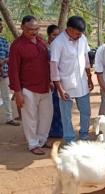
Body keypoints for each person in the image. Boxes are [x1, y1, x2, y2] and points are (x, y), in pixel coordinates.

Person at [8, 15, 53, 155]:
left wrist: (51, 80)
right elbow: (13, 70)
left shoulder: (41, 42)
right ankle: (33, 144)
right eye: (30, 29)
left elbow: (48, 63)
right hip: (27, 88)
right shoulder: (17, 46)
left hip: (45, 86)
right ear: (22, 28)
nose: (33, 32)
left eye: (36, 29)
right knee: (30, 118)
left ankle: (42, 140)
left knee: (47, 115)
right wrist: (18, 92)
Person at [50, 16, 93, 143]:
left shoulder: (83, 38)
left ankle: (84, 134)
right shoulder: (57, 43)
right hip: (65, 85)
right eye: (77, 33)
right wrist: (60, 89)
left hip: (82, 82)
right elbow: (54, 67)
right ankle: (69, 139)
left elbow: (86, 59)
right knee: (66, 115)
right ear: (69, 29)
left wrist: (89, 77)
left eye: (81, 33)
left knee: (86, 111)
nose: (80, 36)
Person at [0, 18, 20, 126]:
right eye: (0, 25)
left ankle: (9, 118)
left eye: (1, 25)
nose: (1, 27)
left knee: (6, 96)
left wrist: (3, 62)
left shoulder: (4, 41)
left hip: (4, 73)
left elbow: (10, 56)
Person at [46, 24, 63, 138]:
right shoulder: (45, 48)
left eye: (58, 35)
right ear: (49, 35)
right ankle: (51, 131)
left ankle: (59, 130)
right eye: (54, 35)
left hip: (61, 81)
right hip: (50, 82)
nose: (56, 37)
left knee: (59, 107)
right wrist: (50, 80)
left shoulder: (60, 46)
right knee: (51, 108)